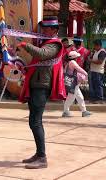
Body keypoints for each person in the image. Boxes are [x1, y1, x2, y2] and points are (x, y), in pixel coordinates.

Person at [18, 16, 66, 169]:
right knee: (33, 121)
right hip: (36, 84)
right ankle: (39, 154)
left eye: (46, 27)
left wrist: (26, 45)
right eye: (43, 27)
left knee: (36, 121)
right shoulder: (45, 43)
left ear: (54, 30)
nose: (43, 30)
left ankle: (42, 157)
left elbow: (43, 54)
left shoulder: (55, 44)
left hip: (42, 86)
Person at [62, 51, 91, 117]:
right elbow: (78, 68)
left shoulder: (69, 62)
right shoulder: (72, 62)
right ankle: (65, 111)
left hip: (74, 83)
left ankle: (84, 111)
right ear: (74, 57)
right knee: (71, 98)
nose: (78, 57)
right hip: (73, 83)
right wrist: (86, 73)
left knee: (80, 97)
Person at [88, 39, 106, 104]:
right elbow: (91, 57)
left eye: (95, 45)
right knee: (93, 85)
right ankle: (94, 99)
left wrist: (91, 61)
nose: (94, 47)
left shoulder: (102, 52)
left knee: (98, 85)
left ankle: (100, 98)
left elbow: (100, 62)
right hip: (93, 71)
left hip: (98, 72)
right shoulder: (95, 51)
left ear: (98, 45)